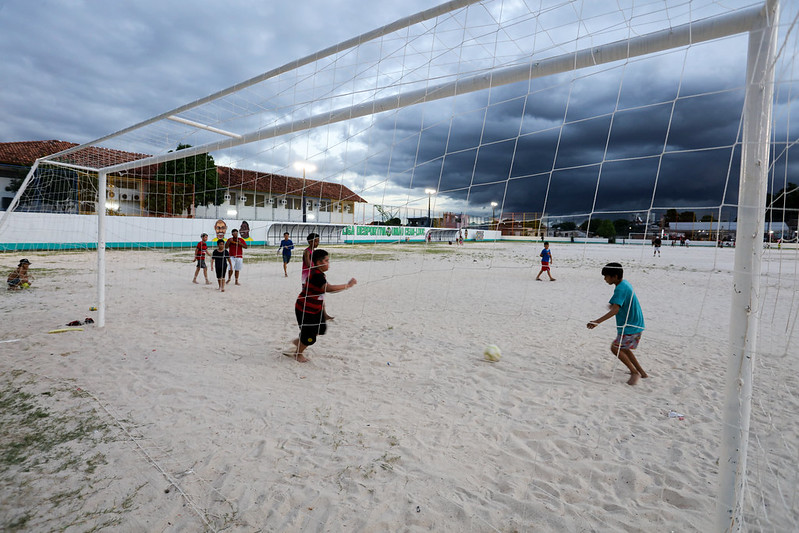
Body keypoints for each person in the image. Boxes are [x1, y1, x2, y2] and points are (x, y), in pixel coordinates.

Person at [284, 249, 357, 362]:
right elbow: (329, 289)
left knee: (320, 329)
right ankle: (298, 353)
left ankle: (299, 341)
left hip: (315, 309)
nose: (329, 263)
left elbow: (320, 294)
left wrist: (323, 310)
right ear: (319, 263)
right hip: (305, 309)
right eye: (327, 261)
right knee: (310, 338)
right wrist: (347, 285)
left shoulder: (319, 274)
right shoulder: (316, 275)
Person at [586, 262, 648, 385]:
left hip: (631, 325)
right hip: (636, 323)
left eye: (606, 276)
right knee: (623, 348)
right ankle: (641, 372)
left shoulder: (620, 288)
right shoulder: (624, 284)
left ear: (614, 276)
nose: (604, 279)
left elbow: (615, 310)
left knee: (615, 348)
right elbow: (618, 304)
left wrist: (597, 322)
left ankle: (634, 372)